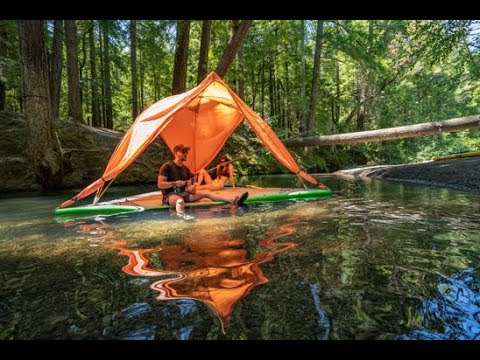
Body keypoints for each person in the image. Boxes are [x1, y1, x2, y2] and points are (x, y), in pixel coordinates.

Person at [157, 144, 249, 219]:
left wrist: (192, 188)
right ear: (176, 153)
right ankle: (182, 216)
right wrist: (174, 183)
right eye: (183, 152)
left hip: (183, 193)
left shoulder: (186, 170)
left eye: (186, 152)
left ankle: (233, 200)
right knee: (179, 201)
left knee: (206, 193)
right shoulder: (167, 166)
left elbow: (189, 189)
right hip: (170, 195)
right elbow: (160, 184)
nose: (186, 154)